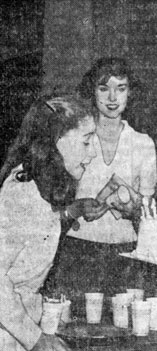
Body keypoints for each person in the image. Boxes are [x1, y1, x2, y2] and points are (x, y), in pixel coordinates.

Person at [0, 96, 102, 350]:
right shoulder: (21, 194)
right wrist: (35, 340)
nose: (92, 152)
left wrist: (68, 213)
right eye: (86, 141)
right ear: (56, 141)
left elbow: (34, 230)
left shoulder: (39, 183)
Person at [51, 57, 157, 296]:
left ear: (130, 93)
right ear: (92, 91)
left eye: (121, 89)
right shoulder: (75, 137)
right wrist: (76, 208)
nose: (112, 98)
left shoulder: (143, 143)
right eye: (103, 88)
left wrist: (135, 209)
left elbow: (150, 213)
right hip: (77, 251)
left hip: (128, 253)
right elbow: (54, 202)